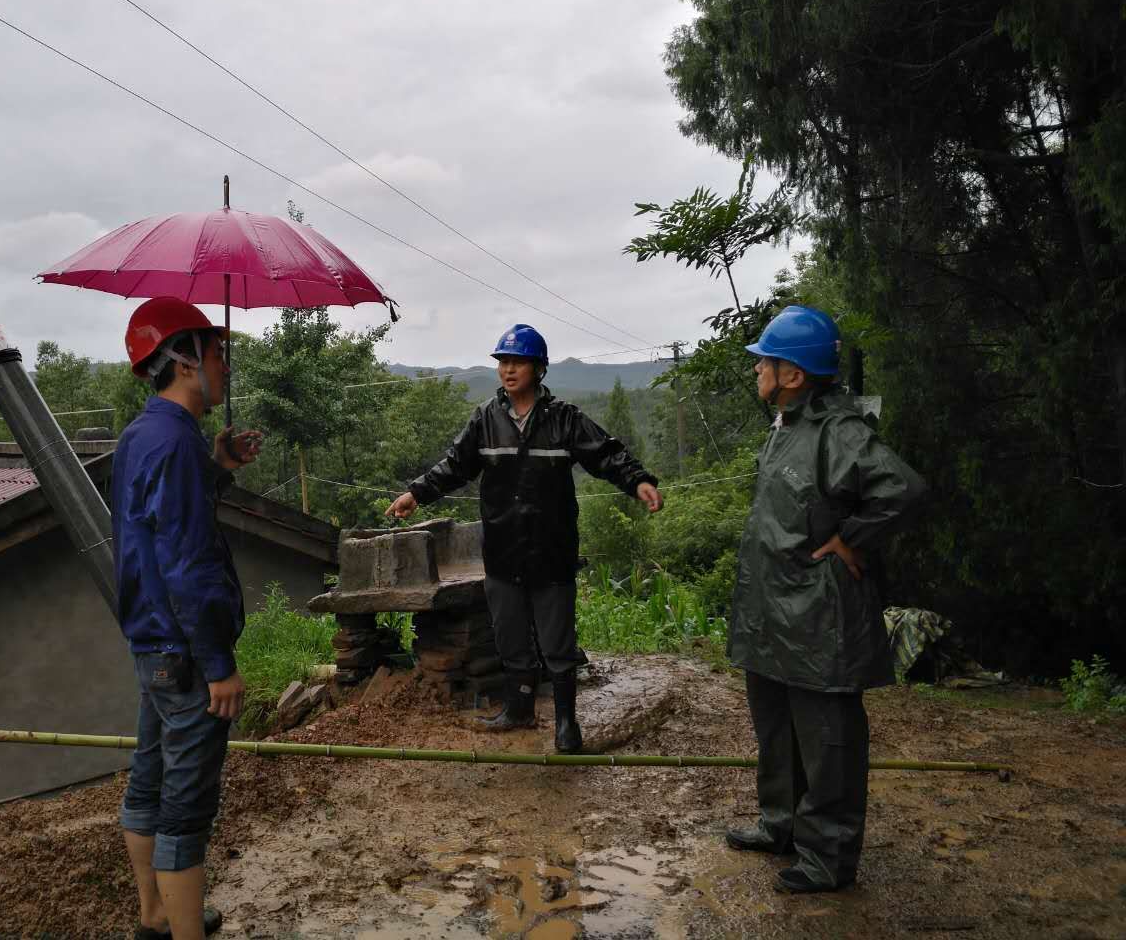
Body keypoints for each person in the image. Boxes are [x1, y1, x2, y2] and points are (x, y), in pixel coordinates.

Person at [386, 324, 662, 753]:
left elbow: (606, 454)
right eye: (503, 362)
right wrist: (416, 493)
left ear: (539, 369)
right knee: (510, 635)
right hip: (502, 548)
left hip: (552, 550)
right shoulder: (485, 419)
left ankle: (566, 724)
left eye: (518, 362)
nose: (508, 370)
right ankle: (519, 710)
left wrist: (638, 481)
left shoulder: (564, 419)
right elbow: (455, 465)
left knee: (557, 641)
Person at [725, 305, 926, 895]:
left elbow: (904, 489)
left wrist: (852, 538)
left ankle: (828, 857)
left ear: (792, 374)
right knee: (777, 728)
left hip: (818, 613)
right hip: (772, 608)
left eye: (765, 360)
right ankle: (780, 825)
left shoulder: (839, 431)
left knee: (827, 737)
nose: (757, 368)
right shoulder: (787, 423)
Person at [112, 296, 263, 940]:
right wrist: (219, 665)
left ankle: (154, 915)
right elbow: (189, 565)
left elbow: (159, 524)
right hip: (186, 653)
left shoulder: (147, 435)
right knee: (186, 805)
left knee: (149, 779)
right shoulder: (175, 444)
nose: (225, 365)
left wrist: (217, 467)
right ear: (182, 360)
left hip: (153, 646)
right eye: (216, 352)